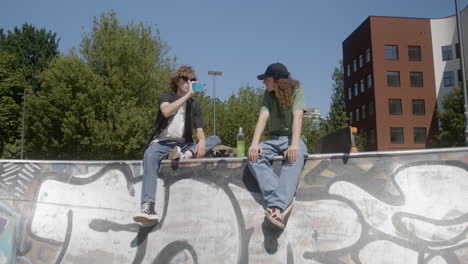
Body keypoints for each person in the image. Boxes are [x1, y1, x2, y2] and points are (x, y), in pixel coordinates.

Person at [134, 65, 221, 223]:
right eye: (186, 79)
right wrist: (187, 96)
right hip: (163, 142)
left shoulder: (195, 105)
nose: (189, 82)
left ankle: (185, 155)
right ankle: (148, 205)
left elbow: (200, 130)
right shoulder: (167, 95)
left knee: (215, 139)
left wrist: (201, 141)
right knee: (150, 154)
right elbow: (166, 111)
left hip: (185, 144)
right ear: (177, 81)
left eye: (192, 79)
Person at [248, 63, 307, 230]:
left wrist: (294, 145)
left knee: (295, 156)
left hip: (292, 138)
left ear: (275, 80)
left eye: (266, 80)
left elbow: (298, 117)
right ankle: (281, 198)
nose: (263, 83)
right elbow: (263, 116)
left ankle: (276, 207)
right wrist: (254, 144)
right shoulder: (268, 94)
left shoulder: (297, 89)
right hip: (273, 140)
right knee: (253, 156)